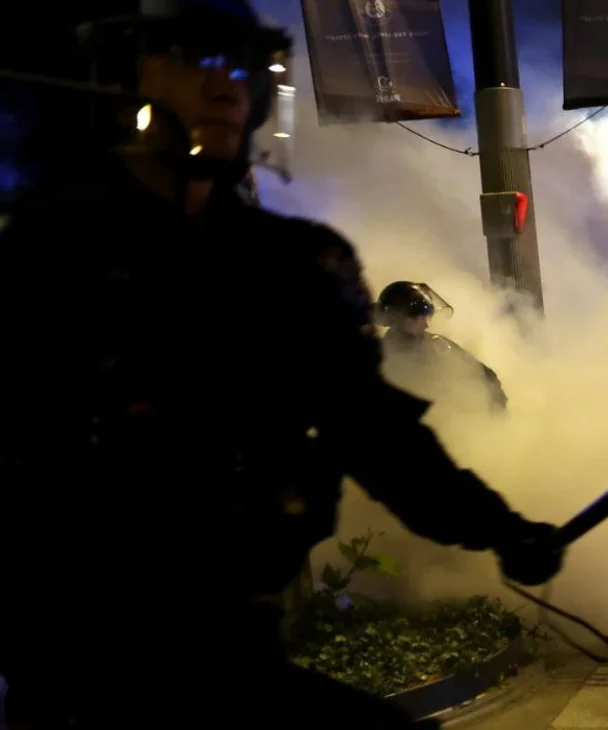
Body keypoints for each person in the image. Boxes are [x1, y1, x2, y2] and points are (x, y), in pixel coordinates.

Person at [0, 2, 562, 728]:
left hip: (227, 645)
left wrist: (501, 528)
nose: (226, 85)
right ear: (126, 77)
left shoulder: (292, 265)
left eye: (242, 64)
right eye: (195, 58)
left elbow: (378, 434)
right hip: (76, 662)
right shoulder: (49, 249)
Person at [376, 281, 509, 413]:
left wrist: (496, 401)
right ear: (399, 319)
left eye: (426, 317)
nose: (426, 325)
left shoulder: (436, 344)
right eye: (418, 318)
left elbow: (484, 374)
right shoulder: (376, 357)